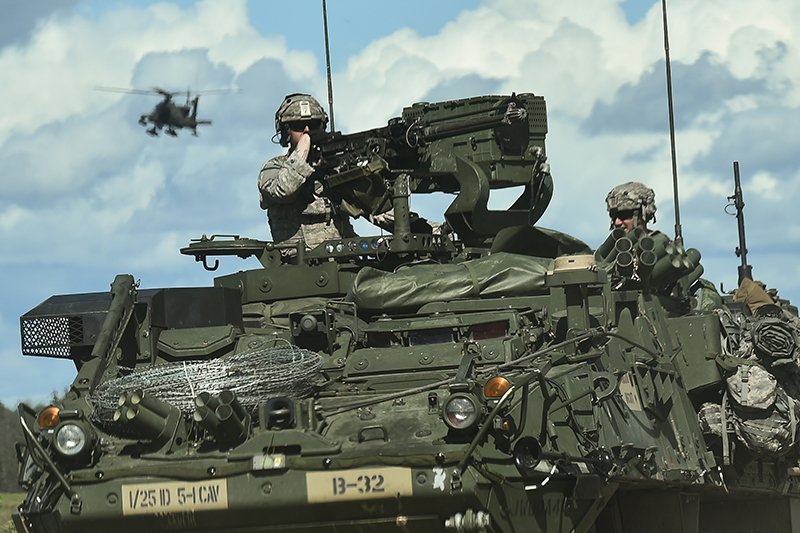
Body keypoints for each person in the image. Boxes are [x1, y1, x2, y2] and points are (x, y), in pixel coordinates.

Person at [258, 93, 356, 254]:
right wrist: (303, 148)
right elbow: (283, 190)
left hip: (344, 262)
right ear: (286, 131)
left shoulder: (336, 168)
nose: (307, 130)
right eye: (298, 126)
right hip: (298, 268)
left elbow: (373, 206)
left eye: (314, 124)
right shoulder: (273, 168)